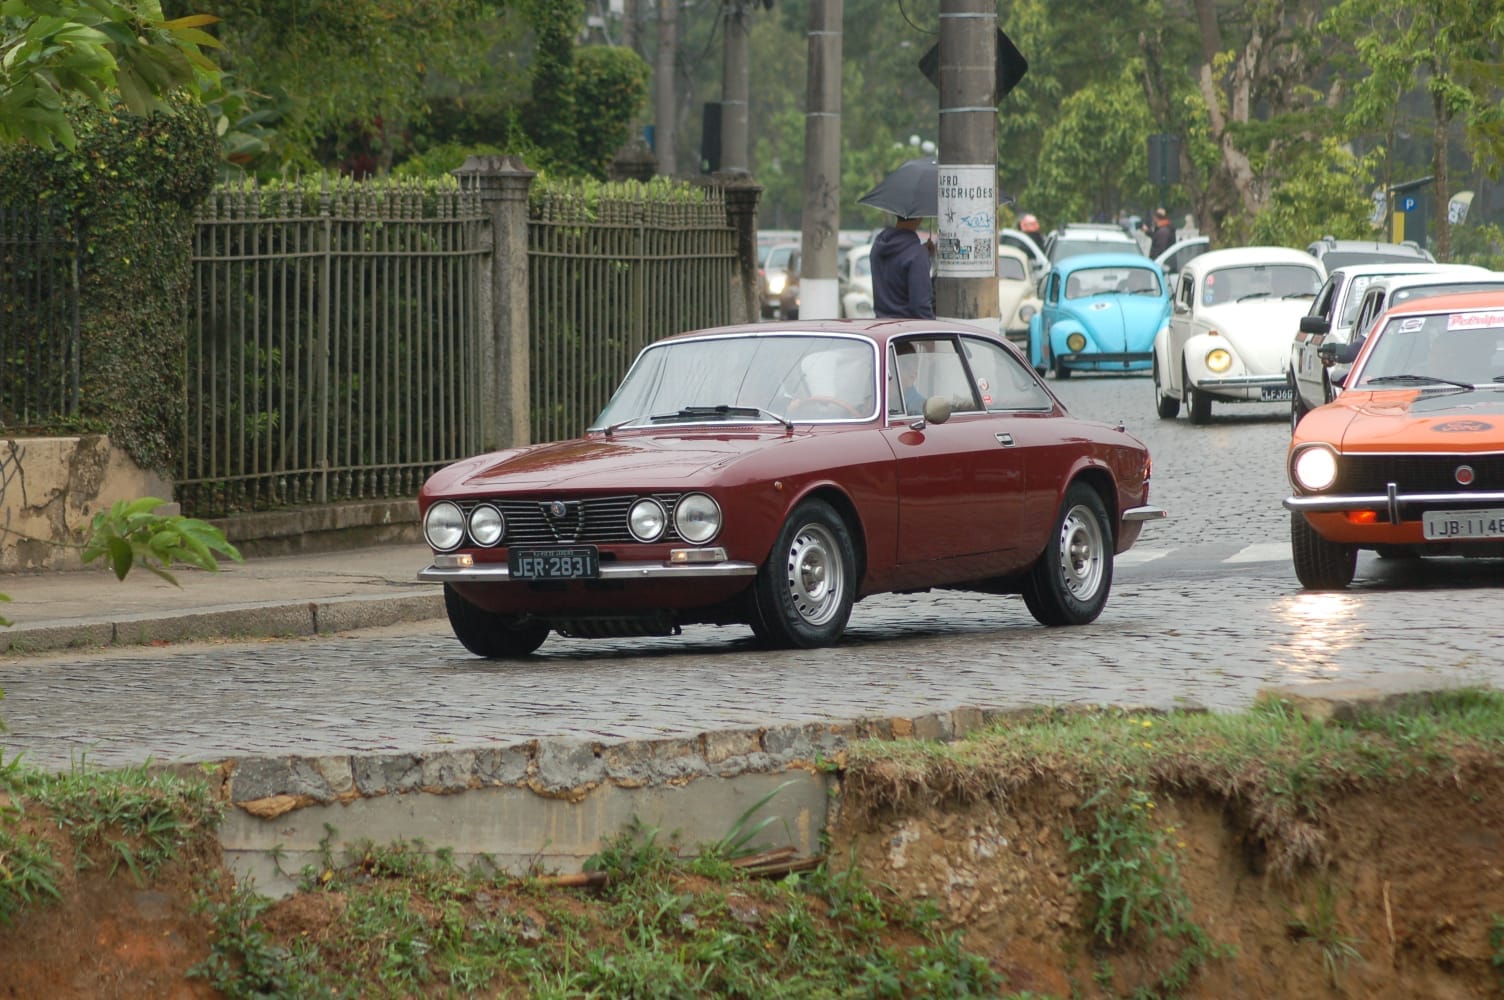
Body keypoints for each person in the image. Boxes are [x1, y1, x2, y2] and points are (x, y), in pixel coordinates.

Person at [870, 216, 935, 319]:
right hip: (907, 331)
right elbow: (920, 306)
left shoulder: (877, 248)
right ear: (920, 217)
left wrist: (923, 257)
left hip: (880, 327)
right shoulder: (917, 254)